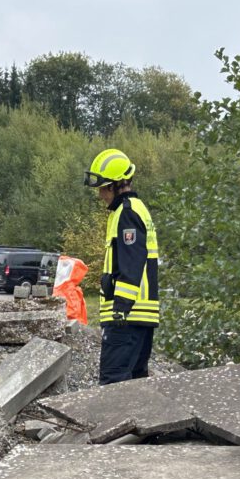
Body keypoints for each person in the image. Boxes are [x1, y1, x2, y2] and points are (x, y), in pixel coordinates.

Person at [83, 148, 159, 385]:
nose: (100, 195)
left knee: (113, 385)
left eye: (103, 188)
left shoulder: (127, 214)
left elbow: (131, 261)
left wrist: (121, 308)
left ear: (117, 185)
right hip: (138, 316)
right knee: (134, 385)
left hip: (127, 317)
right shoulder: (135, 210)